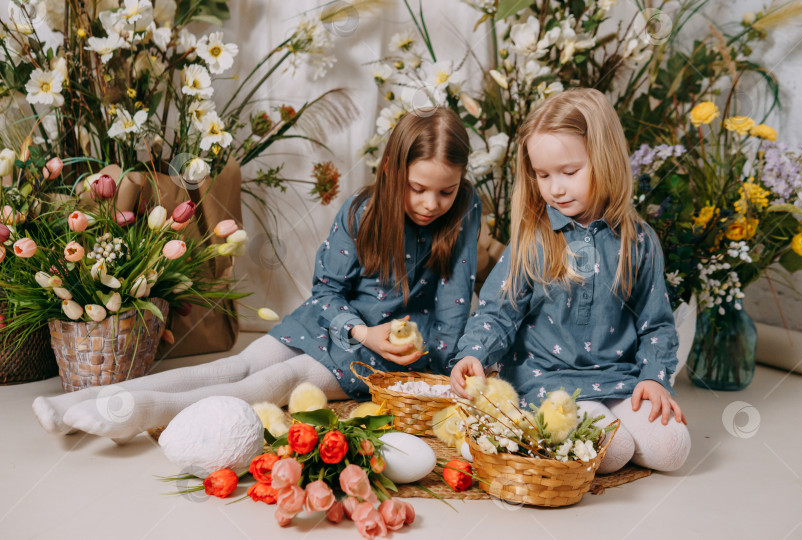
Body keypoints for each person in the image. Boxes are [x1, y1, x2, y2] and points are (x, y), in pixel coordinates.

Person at [33, 107, 481, 442]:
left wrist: (432, 369)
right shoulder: (363, 212)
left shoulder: (465, 209)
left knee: (271, 384)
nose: (430, 203)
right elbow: (326, 291)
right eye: (417, 188)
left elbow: (454, 301)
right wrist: (362, 332)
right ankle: (75, 402)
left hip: (392, 351)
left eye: (446, 190)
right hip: (338, 322)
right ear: (389, 170)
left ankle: (139, 413)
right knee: (236, 365)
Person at [449, 88, 690, 473]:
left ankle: (573, 440)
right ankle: (551, 434)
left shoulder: (638, 240)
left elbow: (656, 322)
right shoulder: (533, 238)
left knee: (673, 449)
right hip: (548, 381)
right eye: (543, 175)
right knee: (613, 450)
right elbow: (498, 311)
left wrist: (654, 378)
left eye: (569, 172)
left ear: (606, 159)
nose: (555, 189)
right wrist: (474, 353)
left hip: (620, 379)